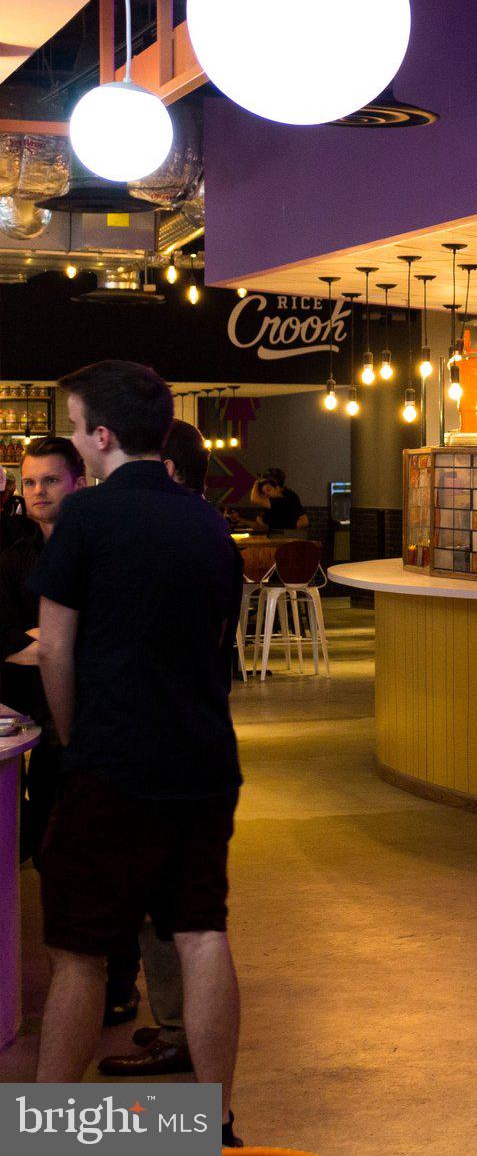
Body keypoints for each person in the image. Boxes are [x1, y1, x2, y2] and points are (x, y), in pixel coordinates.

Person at [28, 362, 245, 1144]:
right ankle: (210, 1121)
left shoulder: (85, 520)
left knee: (81, 952)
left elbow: (56, 648)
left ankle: (54, 1130)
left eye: (77, 424)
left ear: (102, 436)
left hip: (113, 760)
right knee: (201, 930)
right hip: (202, 759)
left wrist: (72, 735)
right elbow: (221, 642)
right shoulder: (207, 521)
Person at [96, 417, 211, 1080]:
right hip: (187, 744)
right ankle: (177, 1026)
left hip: (161, 750)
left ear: (167, 471)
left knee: (166, 910)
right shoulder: (198, 532)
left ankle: (180, 1035)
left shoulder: (171, 538)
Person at [0, 436, 85, 857]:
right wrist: (67, 638)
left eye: (50, 480)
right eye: (30, 482)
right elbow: (1, 639)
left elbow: (103, 634)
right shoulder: (14, 558)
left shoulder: (100, 554)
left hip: (91, 714)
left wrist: (37, 637)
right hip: (26, 707)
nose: (38, 492)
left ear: (79, 484)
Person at [246, 468, 306, 533]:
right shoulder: (288, 495)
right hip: (284, 535)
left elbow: (254, 499)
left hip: (283, 537)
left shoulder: (283, 498)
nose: (266, 494)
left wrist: (256, 482)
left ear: (274, 482)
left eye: (268, 489)